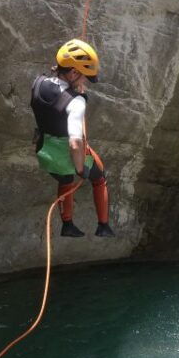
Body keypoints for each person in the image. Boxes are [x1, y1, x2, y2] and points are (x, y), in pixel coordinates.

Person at [30, 39, 115, 238]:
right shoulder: (76, 102)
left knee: (64, 179)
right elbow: (75, 142)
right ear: (74, 73)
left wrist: (72, 90)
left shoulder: (37, 83)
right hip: (67, 154)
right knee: (99, 177)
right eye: (84, 77)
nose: (84, 82)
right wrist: (80, 168)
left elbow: (53, 100)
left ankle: (67, 225)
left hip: (45, 152)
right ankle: (103, 226)